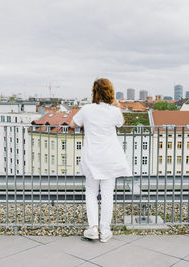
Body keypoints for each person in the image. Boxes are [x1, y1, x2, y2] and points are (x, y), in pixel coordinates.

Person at [69, 78, 132, 243]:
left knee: (91, 192)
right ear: (110, 92)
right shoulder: (114, 111)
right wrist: (115, 104)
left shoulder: (87, 109)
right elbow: (121, 122)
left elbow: (72, 123)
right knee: (107, 195)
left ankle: (93, 228)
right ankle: (105, 230)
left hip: (92, 157)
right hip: (110, 157)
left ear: (94, 92)